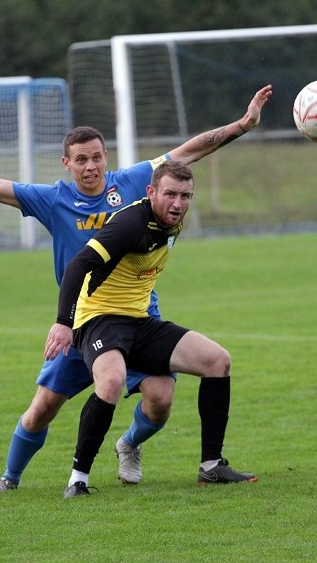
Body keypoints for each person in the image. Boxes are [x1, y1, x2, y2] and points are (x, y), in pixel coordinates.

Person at [0, 84, 272, 495]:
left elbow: (188, 152)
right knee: (42, 408)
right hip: (83, 320)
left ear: (106, 158)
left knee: (161, 397)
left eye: (96, 157)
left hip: (137, 316)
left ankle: (129, 444)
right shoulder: (51, 199)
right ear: (67, 164)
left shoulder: (134, 183)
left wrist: (242, 124)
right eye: (81, 160)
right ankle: (10, 478)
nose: (90, 166)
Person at [46, 160, 256, 498]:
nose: (178, 203)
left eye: (186, 196)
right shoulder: (130, 222)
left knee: (216, 362)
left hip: (139, 321)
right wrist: (63, 322)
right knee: (111, 382)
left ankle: (211, 466)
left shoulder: (172, 223)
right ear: (151, 193)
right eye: (170, 194)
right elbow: (78, 265)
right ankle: (78, 479)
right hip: (99, 318)